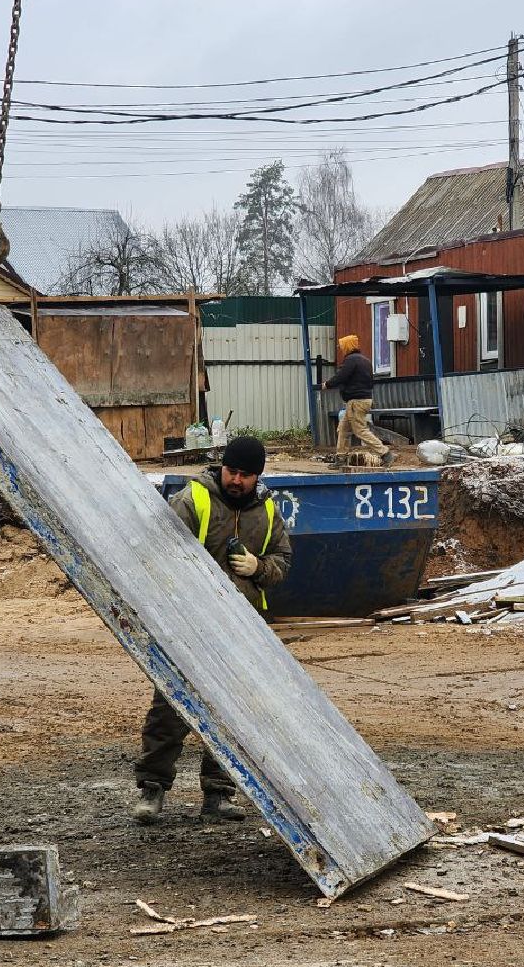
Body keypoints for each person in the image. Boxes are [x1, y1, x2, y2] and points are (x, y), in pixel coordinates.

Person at [131, 435, 293, 824]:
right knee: (169, 710)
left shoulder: (268, 512)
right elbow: (157, 551)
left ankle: (218, 793)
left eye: (246, 475)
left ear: (258, 476)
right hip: (190, 625)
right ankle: (152, 790)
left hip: (242, 628)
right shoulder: (192, 501)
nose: (237, 480)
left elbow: (283, 560)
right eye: (232, 471)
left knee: (232, 713)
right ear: (222, 468)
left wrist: (260, 568)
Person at [324, 334, 393, 465]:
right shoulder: (365, 360)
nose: (341, 349)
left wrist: (327, 384)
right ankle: (341, 459)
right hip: (363, 400)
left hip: (356, 401)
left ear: (348, 346)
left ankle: (385, 453)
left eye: (343, 346)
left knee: (360, 430)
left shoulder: (351, 360)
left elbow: (341, 377)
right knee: (343, 429)